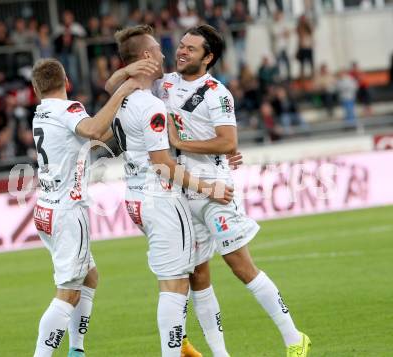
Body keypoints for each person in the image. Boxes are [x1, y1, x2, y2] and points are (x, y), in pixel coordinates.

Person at [106, 24, 311, 357]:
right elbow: (114, 85)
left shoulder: (217, 93)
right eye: (181, 45)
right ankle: (220, 354)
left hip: (215, 189)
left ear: (208, 57)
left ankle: (293, 338)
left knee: (240, 266)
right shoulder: (165, 84)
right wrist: (130, 67)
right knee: (199, 273)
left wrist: (181, 142)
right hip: (185, 190)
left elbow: (228, 141)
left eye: (191, 48)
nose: (181, 51)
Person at [109, 25, 233, 357]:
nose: (167, 53)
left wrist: (127, 70)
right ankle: (173, 351)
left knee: (182, 275)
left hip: (134, 195)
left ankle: (185, 348)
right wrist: (208, 187)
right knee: (175, 284)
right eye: (159, 50)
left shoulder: (122, 94)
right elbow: (163, 163)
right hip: (159, 198)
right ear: (147, 57)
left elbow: (111, 83)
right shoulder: (150, 106)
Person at [30, 58, 152, 357]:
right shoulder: (69, 109)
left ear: (36, 89)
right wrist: (123, 91)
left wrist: (123, 129)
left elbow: (89, 141)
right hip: (68, 212)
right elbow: (95, 130)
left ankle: (76, 350)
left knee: (89, 276)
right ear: (67, 81)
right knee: (68, 292)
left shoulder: (41, 113)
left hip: (45, 209)